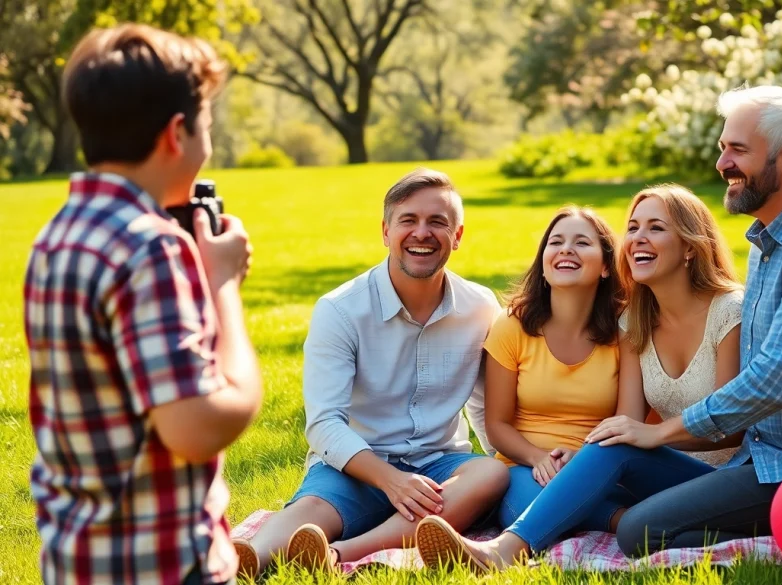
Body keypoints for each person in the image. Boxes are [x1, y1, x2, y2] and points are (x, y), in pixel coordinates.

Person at [415, 84, 782, 568]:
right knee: (619, 450)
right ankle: (504, 550)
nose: (722, 164)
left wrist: (660, 434)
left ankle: (516, 547)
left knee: (637, 529)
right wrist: (637, 433)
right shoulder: (770, 243)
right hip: (765, 462)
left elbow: (773, 383)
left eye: (737, 150)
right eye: (723, 149)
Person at [24, 24, 262, 585]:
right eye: (206, 125)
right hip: (161, 563)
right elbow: (196, 427)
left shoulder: (57, 235)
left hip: (79, 557)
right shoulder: (150, 247)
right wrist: (222, 284)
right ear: (176, 134)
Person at [414, 186, 746, 570]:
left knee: (615, 441)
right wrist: (566, 459)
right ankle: (646, 523)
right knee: (616, 520)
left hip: (718, 476)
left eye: (655, 228)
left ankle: (505, 551)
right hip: (621, 474)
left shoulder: (713, 313)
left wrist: (637, 439)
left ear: (690, 246)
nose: (638, 238)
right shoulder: (634, 321)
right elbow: (624, 424)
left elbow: (718, 425)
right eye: (634, 227)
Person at [231, 168, 510, 577]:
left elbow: (484, 407)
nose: (422, 233)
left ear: (458, 236)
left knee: (490, 472)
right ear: (385, 231)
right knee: (311, 510)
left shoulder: (481, 307)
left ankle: (339, 554)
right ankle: (250, 557)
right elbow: (324, 424)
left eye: (438, 222)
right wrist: (391, 481)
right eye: (408, 220)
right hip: (357, 464)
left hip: (439, 467)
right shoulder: (340, 309)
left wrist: (501, 472)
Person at [472, 206, 633, 533]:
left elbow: (627, 422)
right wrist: (538, 458)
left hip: (599, 465)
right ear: (544, 264)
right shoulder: (511, 325)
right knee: (528, 502)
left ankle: (623, 518)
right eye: (555, 242)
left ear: (606, 266)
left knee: (575, 493)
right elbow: (497, 425)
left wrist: (583, 460)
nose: (566, 249)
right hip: (524, 467)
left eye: (582, 243)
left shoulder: (625, 328)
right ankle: (625, 522)